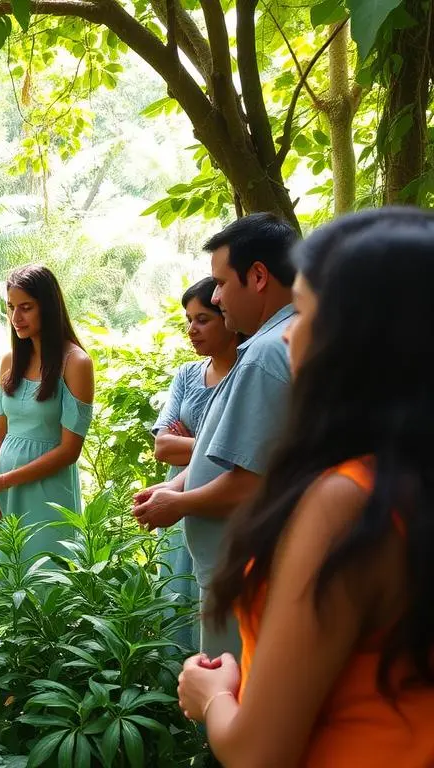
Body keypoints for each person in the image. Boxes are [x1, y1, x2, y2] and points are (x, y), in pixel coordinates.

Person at [177, 208, 434, 766]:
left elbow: (258, 751)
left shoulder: (346, 501)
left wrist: (213, 697)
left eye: (308, 311)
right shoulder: (404, 480)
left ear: (363, 338)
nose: (290, 331)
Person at [133, 213, 298, 658]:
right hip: (266, 565)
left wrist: (179, 503)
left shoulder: (264, 354)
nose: (219, 296)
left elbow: (253, 480)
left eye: (221, 283)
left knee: (231, 692)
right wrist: (176, 483)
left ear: (258, 276)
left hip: (246, 571)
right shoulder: (293, 336)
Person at [0, 264, 94, 563]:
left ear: (48, 307)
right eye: (11, 307)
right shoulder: (10, 361)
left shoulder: (76, 363)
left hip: (47, 491)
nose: (16, 318)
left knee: (46, 580)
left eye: (26, 307)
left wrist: (3, 481)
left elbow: (69, 450)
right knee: (0, 583)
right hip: (3, 490)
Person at [152, 277, 240, 650]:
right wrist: (213, 445)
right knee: (177, 594)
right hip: (175, 498)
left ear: (228, 318)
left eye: (203, 319)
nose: (192, 329)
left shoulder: (247, 374)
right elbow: (163, 446)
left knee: (217, 607)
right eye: (189, 319)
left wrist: (188, 438)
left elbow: (239, 451)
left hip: (222, 498)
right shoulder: (187, 376)